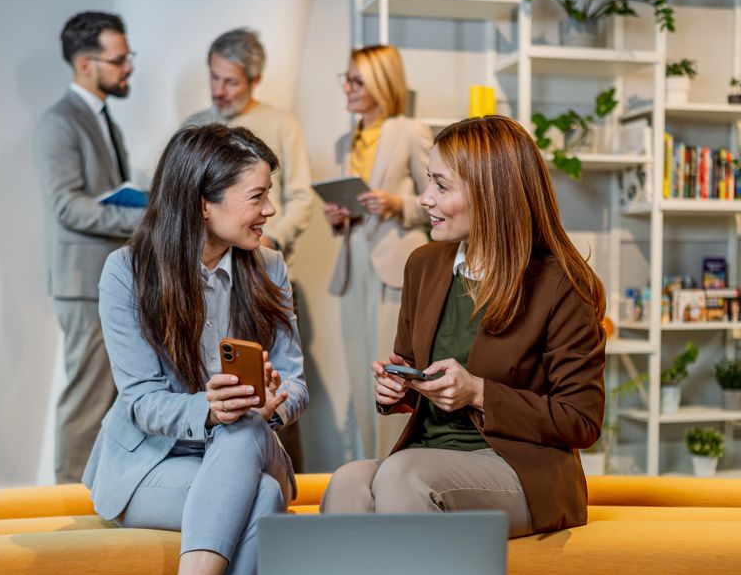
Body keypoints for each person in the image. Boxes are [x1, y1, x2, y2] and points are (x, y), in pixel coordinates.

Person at [82, 124, 308, 575]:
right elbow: (140, 400)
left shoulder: (271, 270)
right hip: (149, 469)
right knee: (256, 485)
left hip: (241, 449)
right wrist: (209, 408)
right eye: (256, 196)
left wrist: (275, 401)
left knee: (246, 431)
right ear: (203, 203)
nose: (271, 209)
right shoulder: (126, 272)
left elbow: (296, 382)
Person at [321, 115, 606, 535]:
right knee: (348, 481)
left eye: (440, 185)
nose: (423, 198)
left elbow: (580, 420)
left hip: (520, 469)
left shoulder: (560, 285)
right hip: (426, 455)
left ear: (491, 195)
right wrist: (397, 390)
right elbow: (413, 370)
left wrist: (479, 392)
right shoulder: (424, 265)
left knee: (403, 475)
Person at [183, 27, 312, 472]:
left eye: (230, 81)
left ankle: (272, 468)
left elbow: (302, 197)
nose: (219, 90)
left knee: (269, 387)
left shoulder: (282, 123)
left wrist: (263, 242)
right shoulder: (196, 130)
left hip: (257, 274)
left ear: (254, 80)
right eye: (214, 79)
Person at [34, 11, 144, 483]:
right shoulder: (59, 122)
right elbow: (68, 207)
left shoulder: (105, 121)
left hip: (111, 278)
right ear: (85, 64)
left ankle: (100, 498)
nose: (128, 68)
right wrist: (146, 216)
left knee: (114, 397)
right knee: (85, 399)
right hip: (84, 284)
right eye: (119, 59)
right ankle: (65, 513)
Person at [324, 44, 432, 460]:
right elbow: (350, 211)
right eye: (346, 79)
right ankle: (369, 468)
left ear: (382, 83)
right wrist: (337, 217)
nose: (348, 88)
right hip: (354, 270)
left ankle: (397, 466)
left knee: (394, 374)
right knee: (359, 375)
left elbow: (437, 199)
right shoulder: (343, 142)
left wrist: (396, 204)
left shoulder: (409, 131)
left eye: (357, 80)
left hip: (397, 266)